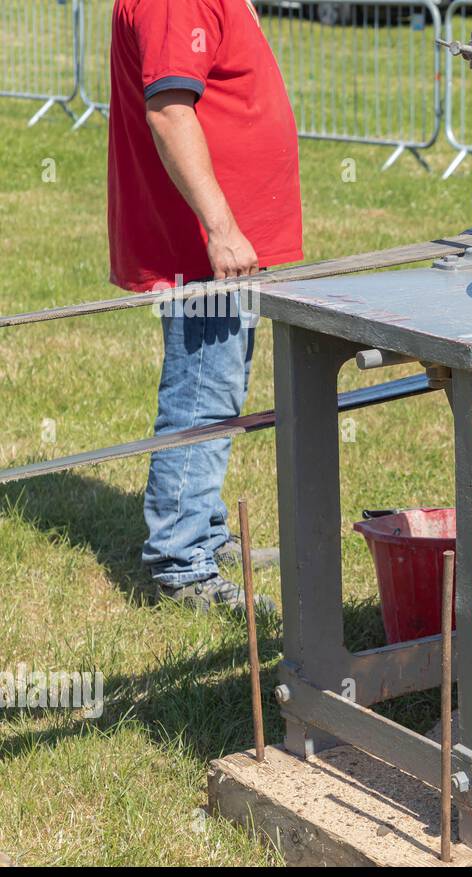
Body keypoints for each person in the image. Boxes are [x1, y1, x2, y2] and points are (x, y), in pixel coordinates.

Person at [108, 0, 302, 612]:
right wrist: (221, 227)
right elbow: (169, 112)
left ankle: (205, 534)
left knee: (216, 387)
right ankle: (181, 562)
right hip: (205, 247)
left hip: (223, 245)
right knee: (201, 395)